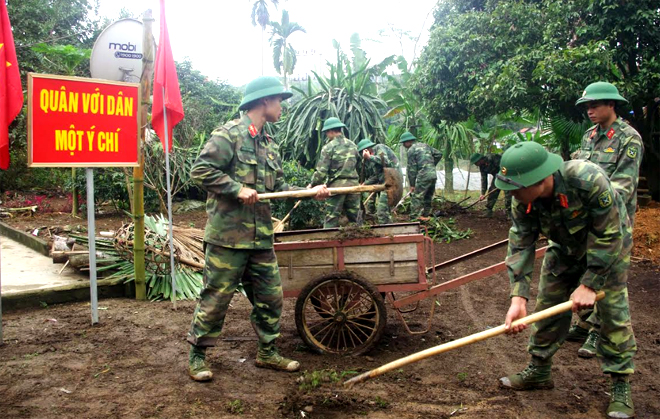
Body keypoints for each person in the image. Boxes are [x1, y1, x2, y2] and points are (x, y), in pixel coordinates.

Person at [186, 76, 329, 382]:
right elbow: (199, 170)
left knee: (271, 297)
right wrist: (235, 188)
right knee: (216, 298)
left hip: (260, 238)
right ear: (265, 101)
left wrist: (309, 191)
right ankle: (197, 354)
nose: (282, 107)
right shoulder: (229, 135)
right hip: (228, 238)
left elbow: (279, 188)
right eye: (279, 100)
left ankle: (267, 352)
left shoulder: (269, 144)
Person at [496, 142, 636, 419]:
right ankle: (539, 369)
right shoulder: (521, 199)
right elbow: (521, 244)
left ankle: (621, 384)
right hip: (563, 248)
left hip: (609, 248)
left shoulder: (587, 180)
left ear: (538, 179)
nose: (510, 193)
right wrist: (518, 296)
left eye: (515, 187)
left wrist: (590, 283)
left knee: (612, 314)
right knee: (547, 305)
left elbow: (609, 234)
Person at [566, 82, 644, 357]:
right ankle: (586, 324)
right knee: (588, 267)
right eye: (587, 106)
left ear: (612, 105)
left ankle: (599, 332)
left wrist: (590, 206)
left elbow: (623, 187)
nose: (590, 110)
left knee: (609, 277)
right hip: (588, 221)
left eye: (595, 105)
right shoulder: (589, 136)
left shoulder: (628, 138)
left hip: (614, 223)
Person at [310, 117, 360, 228]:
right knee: (356, 220)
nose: (327, 135)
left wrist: (312, 185)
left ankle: (327, 244)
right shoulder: (353, 145)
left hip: (336, 187)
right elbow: (358, 165)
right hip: (353, 187)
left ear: (331, 131)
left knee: (331, 220)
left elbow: (321, 172)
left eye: (327, 133)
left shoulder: (328, 147)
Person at [356, 138, 401, 224]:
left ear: (367, 149)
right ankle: (390, 228)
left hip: (393, 181)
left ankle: (387, 233)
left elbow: (386, 161)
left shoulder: (379, 148)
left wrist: (370, 157)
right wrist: (364, 184)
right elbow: (376, 176)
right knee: (385, 212)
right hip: (384, 183)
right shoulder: (370, 160)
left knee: (382, 212)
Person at [400, 131, 442, 220]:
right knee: (428, 196)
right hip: (433, 175)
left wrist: (412, 184)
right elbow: (438, 154)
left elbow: (412, 169)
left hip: (423, 175)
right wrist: (431, 165)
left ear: (408, 141)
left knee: (417, 196)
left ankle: (414, 217)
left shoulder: (411, 150)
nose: (403, 145)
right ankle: (426, 215)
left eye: (404, 143)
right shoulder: (425, 145)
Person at [470, 152, 512, 219]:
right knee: (492, 192)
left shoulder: (493, 157)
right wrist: (482, 193)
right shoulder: (482, 167)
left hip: (505, 175)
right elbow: (484, 180)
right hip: (497, 177)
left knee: (508, 194)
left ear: (480, 160)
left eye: (476, 162)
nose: (476, 165)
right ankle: (488, 211)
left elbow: (504, 166)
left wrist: (503, 177)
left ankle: (510, 213)